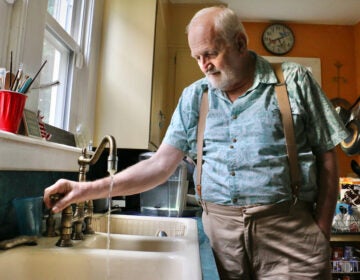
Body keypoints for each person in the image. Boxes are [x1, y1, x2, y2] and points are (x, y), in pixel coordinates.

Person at [44, 6, 349, 280]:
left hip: (290, 236)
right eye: (197, 57)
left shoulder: (293, 80)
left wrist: (321, 228)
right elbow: (160, 165)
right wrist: (84, 190)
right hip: (221, 242)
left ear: (240, 43)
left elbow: (327, 155)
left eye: (211, 54)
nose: (204, 65)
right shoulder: (195, 96)